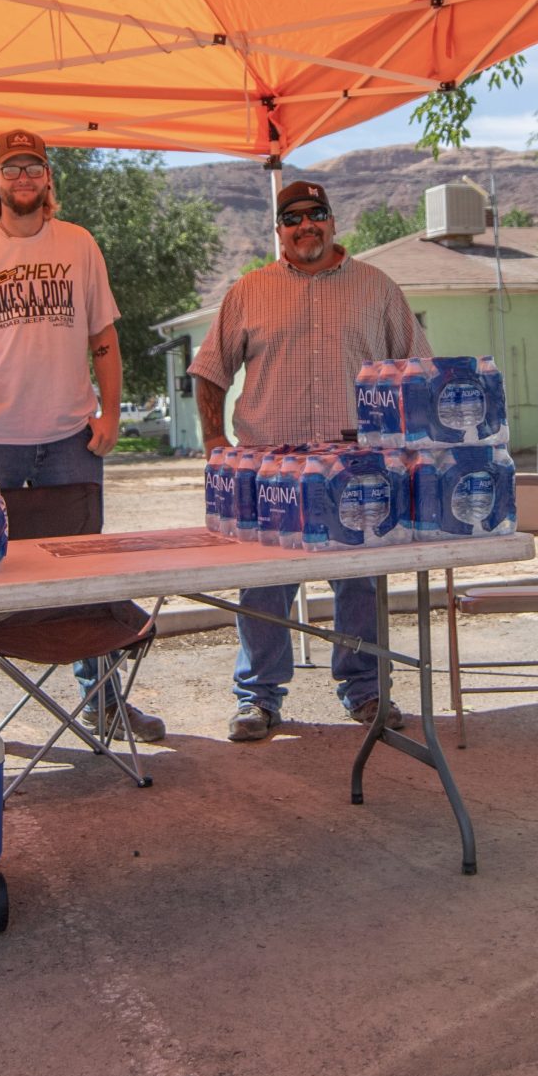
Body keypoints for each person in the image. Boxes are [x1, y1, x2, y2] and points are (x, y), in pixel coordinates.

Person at [0, 128, 164, 743]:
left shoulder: (79, 244)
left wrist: (108, 414)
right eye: (11, 169)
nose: (23, 179)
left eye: (34, 168)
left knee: (84, 574)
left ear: (48, 180)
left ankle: (104, 702)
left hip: (69, 441)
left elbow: (102, 337)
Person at [187, 178, 432, 742]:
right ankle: (258, 697)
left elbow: (416, 372)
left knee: (362, 584)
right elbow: (210, 371)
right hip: (270, 469)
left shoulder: (378, 288)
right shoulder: (249, 291)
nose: (305, 226)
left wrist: (409, 449)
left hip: (359, 467)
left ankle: (365, 690)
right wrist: (212, 441)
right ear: (279, 231)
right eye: (292, 218)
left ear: (333, 221)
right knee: (265, 585)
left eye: (316, 214)